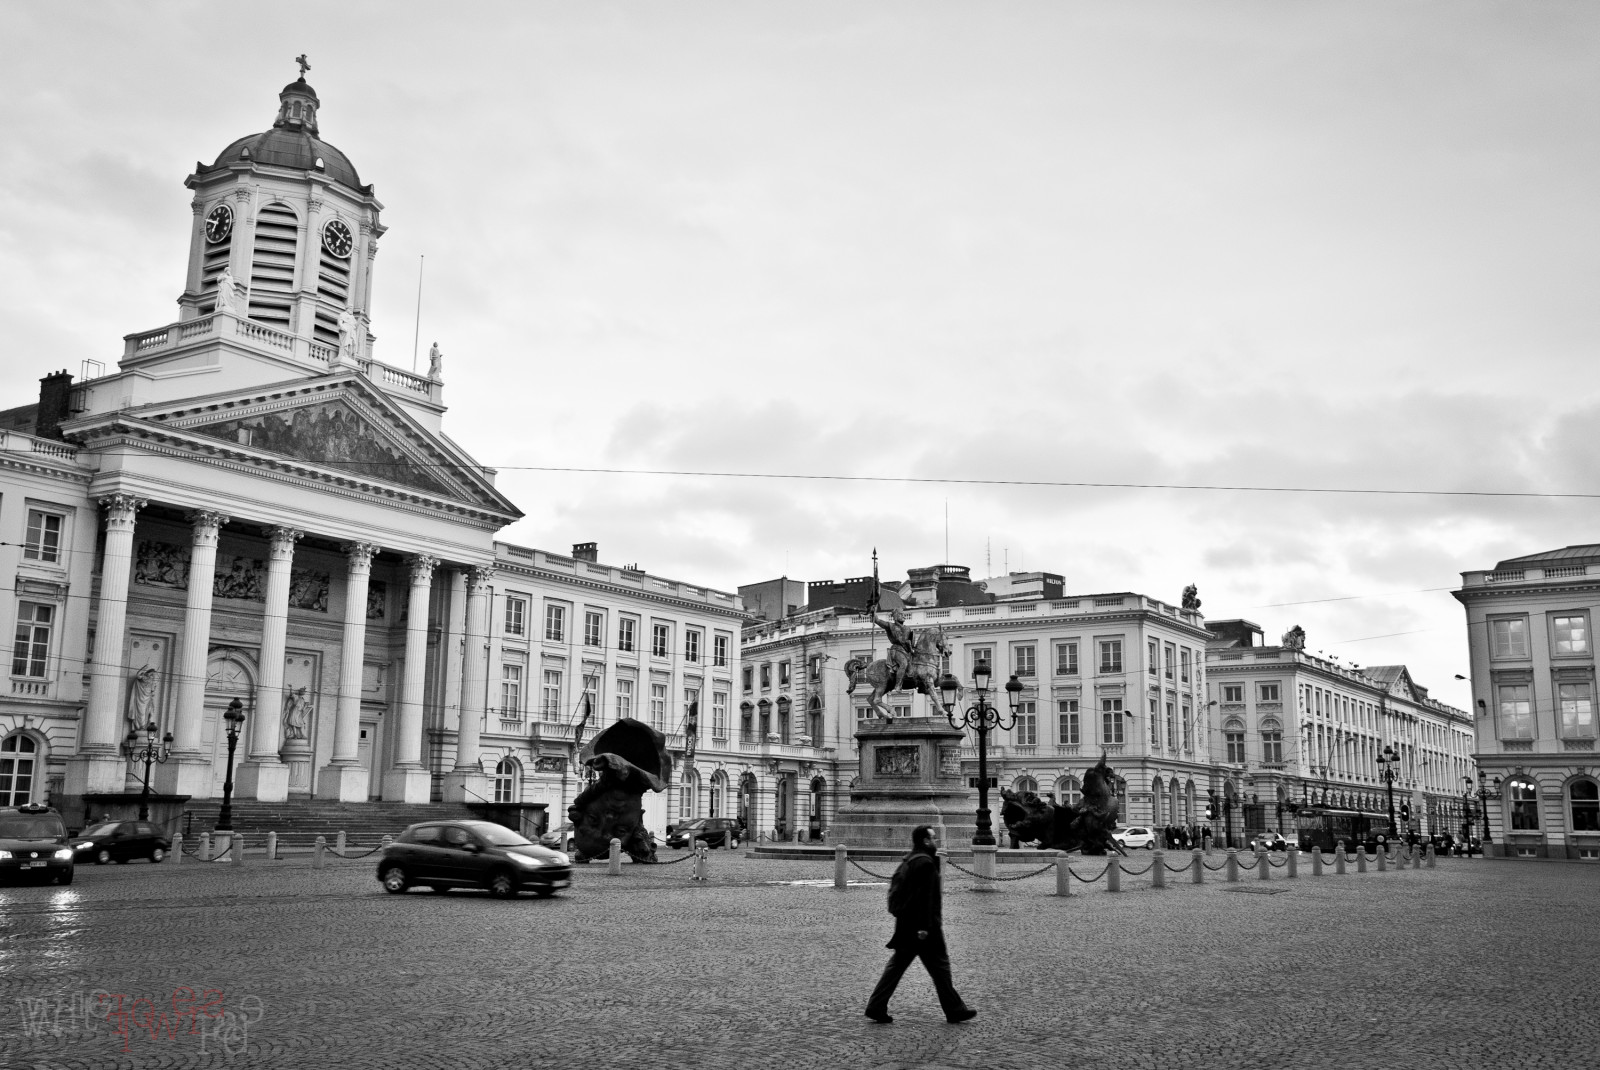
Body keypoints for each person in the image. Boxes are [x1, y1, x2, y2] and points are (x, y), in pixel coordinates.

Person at [864, 825, 976, 1025]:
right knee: (940, 967)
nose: (936, 841)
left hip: (907, 925)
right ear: (925, 841)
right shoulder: (924, 863)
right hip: (924, 928)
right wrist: (924, 927)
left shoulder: (910, 859)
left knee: (898, 966)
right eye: (933, 838)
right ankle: (954, 1010)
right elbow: (925, 898)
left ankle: (876, 1006)